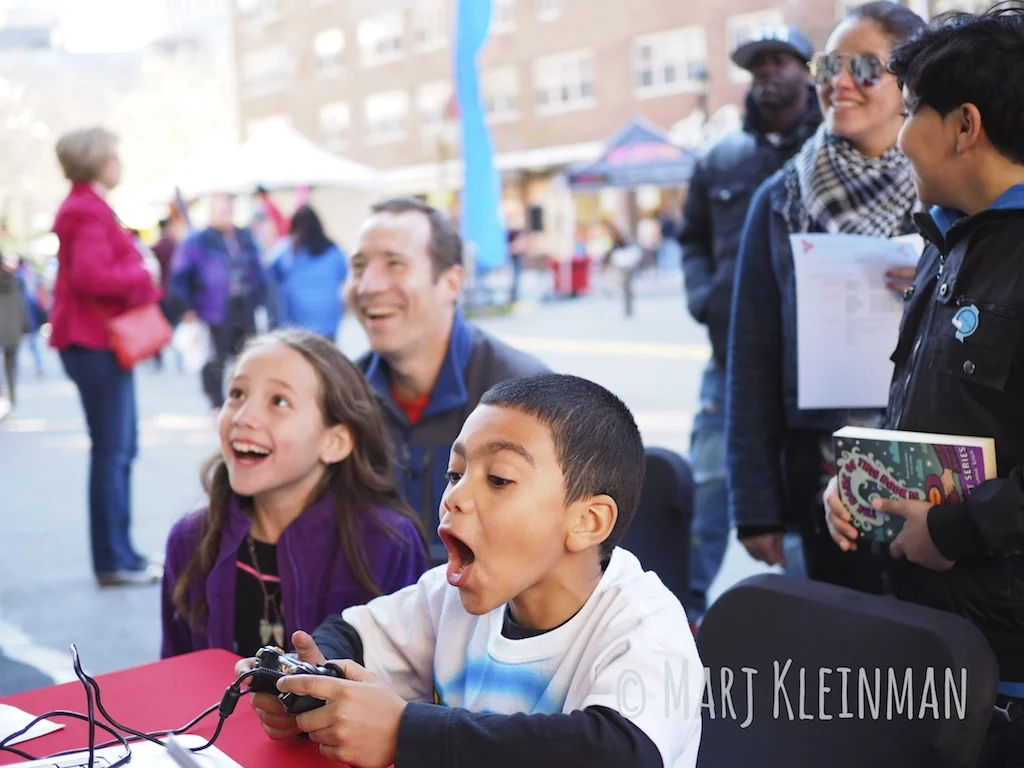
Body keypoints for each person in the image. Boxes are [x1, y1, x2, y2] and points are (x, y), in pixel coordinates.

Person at [239, 373, 703, 767]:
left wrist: (406, 732)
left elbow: (620, 753)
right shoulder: (452, 593)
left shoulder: (645, 626)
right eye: (455, 473)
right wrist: (313, 686)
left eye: (498, 479)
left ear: (587, 522)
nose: (455, 496)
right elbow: (353, 633)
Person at [824, 7, 1024, 763]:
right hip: (926, 637)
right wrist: (858, 487)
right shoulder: (945, 244)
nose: (899, 138)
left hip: (1006, 667)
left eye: (912, 113)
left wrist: (952, 533)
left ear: (964, 125)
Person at [727, 2, 925, 593]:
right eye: (828, 65)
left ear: (909, 83)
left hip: (933, 482)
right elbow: (753, 356)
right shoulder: (780, 199)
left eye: (864, 67)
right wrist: (756, 505)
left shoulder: (950, 189)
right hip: (824, 480)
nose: (838, 82)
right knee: (845, 654)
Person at [161, 329, 429, 659]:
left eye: (279, 401)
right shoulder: (189, 541)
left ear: (335, 442)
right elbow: (174, 674)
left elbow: (410, 686)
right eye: (236, 394)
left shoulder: (388, 542)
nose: (243, 418)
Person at [677, 23, 822, 625]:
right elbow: (691, 238)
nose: (767, 72)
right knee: (705, 492)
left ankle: (821, 625)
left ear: (807, 70)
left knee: (813, 496)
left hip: (814, 365)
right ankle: (678, 617)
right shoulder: (719, 158)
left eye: (779, 60)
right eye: (756, 64)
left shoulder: (833, 150)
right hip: (728, 357)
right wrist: (704, 297)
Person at [346, 197, 550, 566]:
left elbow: (544, 547)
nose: (368, 285)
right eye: (359, 266)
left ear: (452, 282)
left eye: (394, 264)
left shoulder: (524, 394)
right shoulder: (340, 396)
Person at [49, 126, 164, 586]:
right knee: (113, 450)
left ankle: (122, 553)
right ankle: (113, 559)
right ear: (97, 160)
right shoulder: (86, 209)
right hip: (93, 342)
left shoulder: (85, 206)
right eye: (113, 154)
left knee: (118, 448)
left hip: (96, 342)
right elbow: (92, 277)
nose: (119, 161)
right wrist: (142, 271)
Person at [169, 193, 267, 410]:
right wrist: (185, 307)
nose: (225, 215)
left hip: (243, 305)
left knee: (248, 355)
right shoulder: (199, 240)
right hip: (213, 309)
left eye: (228, 210)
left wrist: (260, 298)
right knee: (215, 358)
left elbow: (259, 270)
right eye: (220, 210)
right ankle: (216, 402)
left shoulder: (244, 237)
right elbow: (180, 276)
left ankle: (244, 397)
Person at [266, 204, 348, 342]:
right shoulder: (333, 249)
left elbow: (270, 273)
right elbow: (343, 274)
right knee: (326, 357)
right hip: (328, 320)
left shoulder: (287, 248)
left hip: (297, 323)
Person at [0, 254, 26, 413]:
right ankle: (12, 397)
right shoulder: (14, 281)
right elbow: (21, 307)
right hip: (12, 330)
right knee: (11, 367)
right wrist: (24, 328)